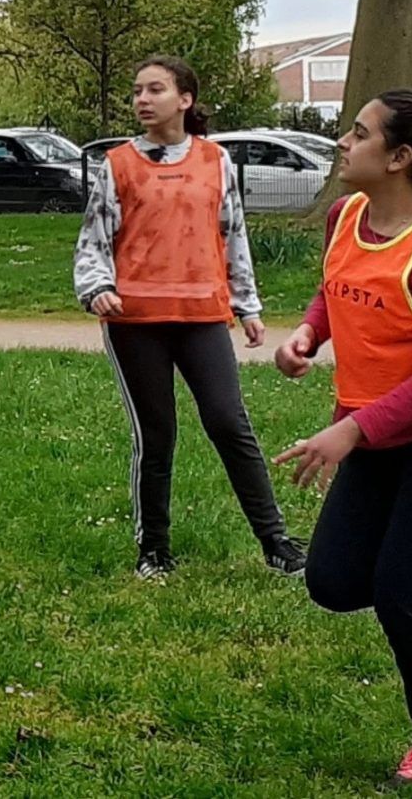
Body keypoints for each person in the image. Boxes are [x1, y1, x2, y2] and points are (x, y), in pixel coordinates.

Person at [274, 90, 412, 787]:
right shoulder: (346, 217)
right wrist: (309, 332)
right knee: (335, 582)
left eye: (359, 133)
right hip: (374, 436)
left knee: (400, 590)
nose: (344, 141)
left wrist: (349, 429)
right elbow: (333, 286)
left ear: (400, 158)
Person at [73, 55, 304, 580]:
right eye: (136, 91)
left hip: (203, 316)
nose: (142, 99)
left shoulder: (215, 161)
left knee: (229, 422)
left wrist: (247, 305)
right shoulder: (118, 164)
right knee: (156, 436)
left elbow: (233, 232)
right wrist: (97, 289)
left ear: (186, 99)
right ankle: (153, 550)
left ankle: (276, 543)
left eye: (154, 89)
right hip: (135, 322)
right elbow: (93, 242)